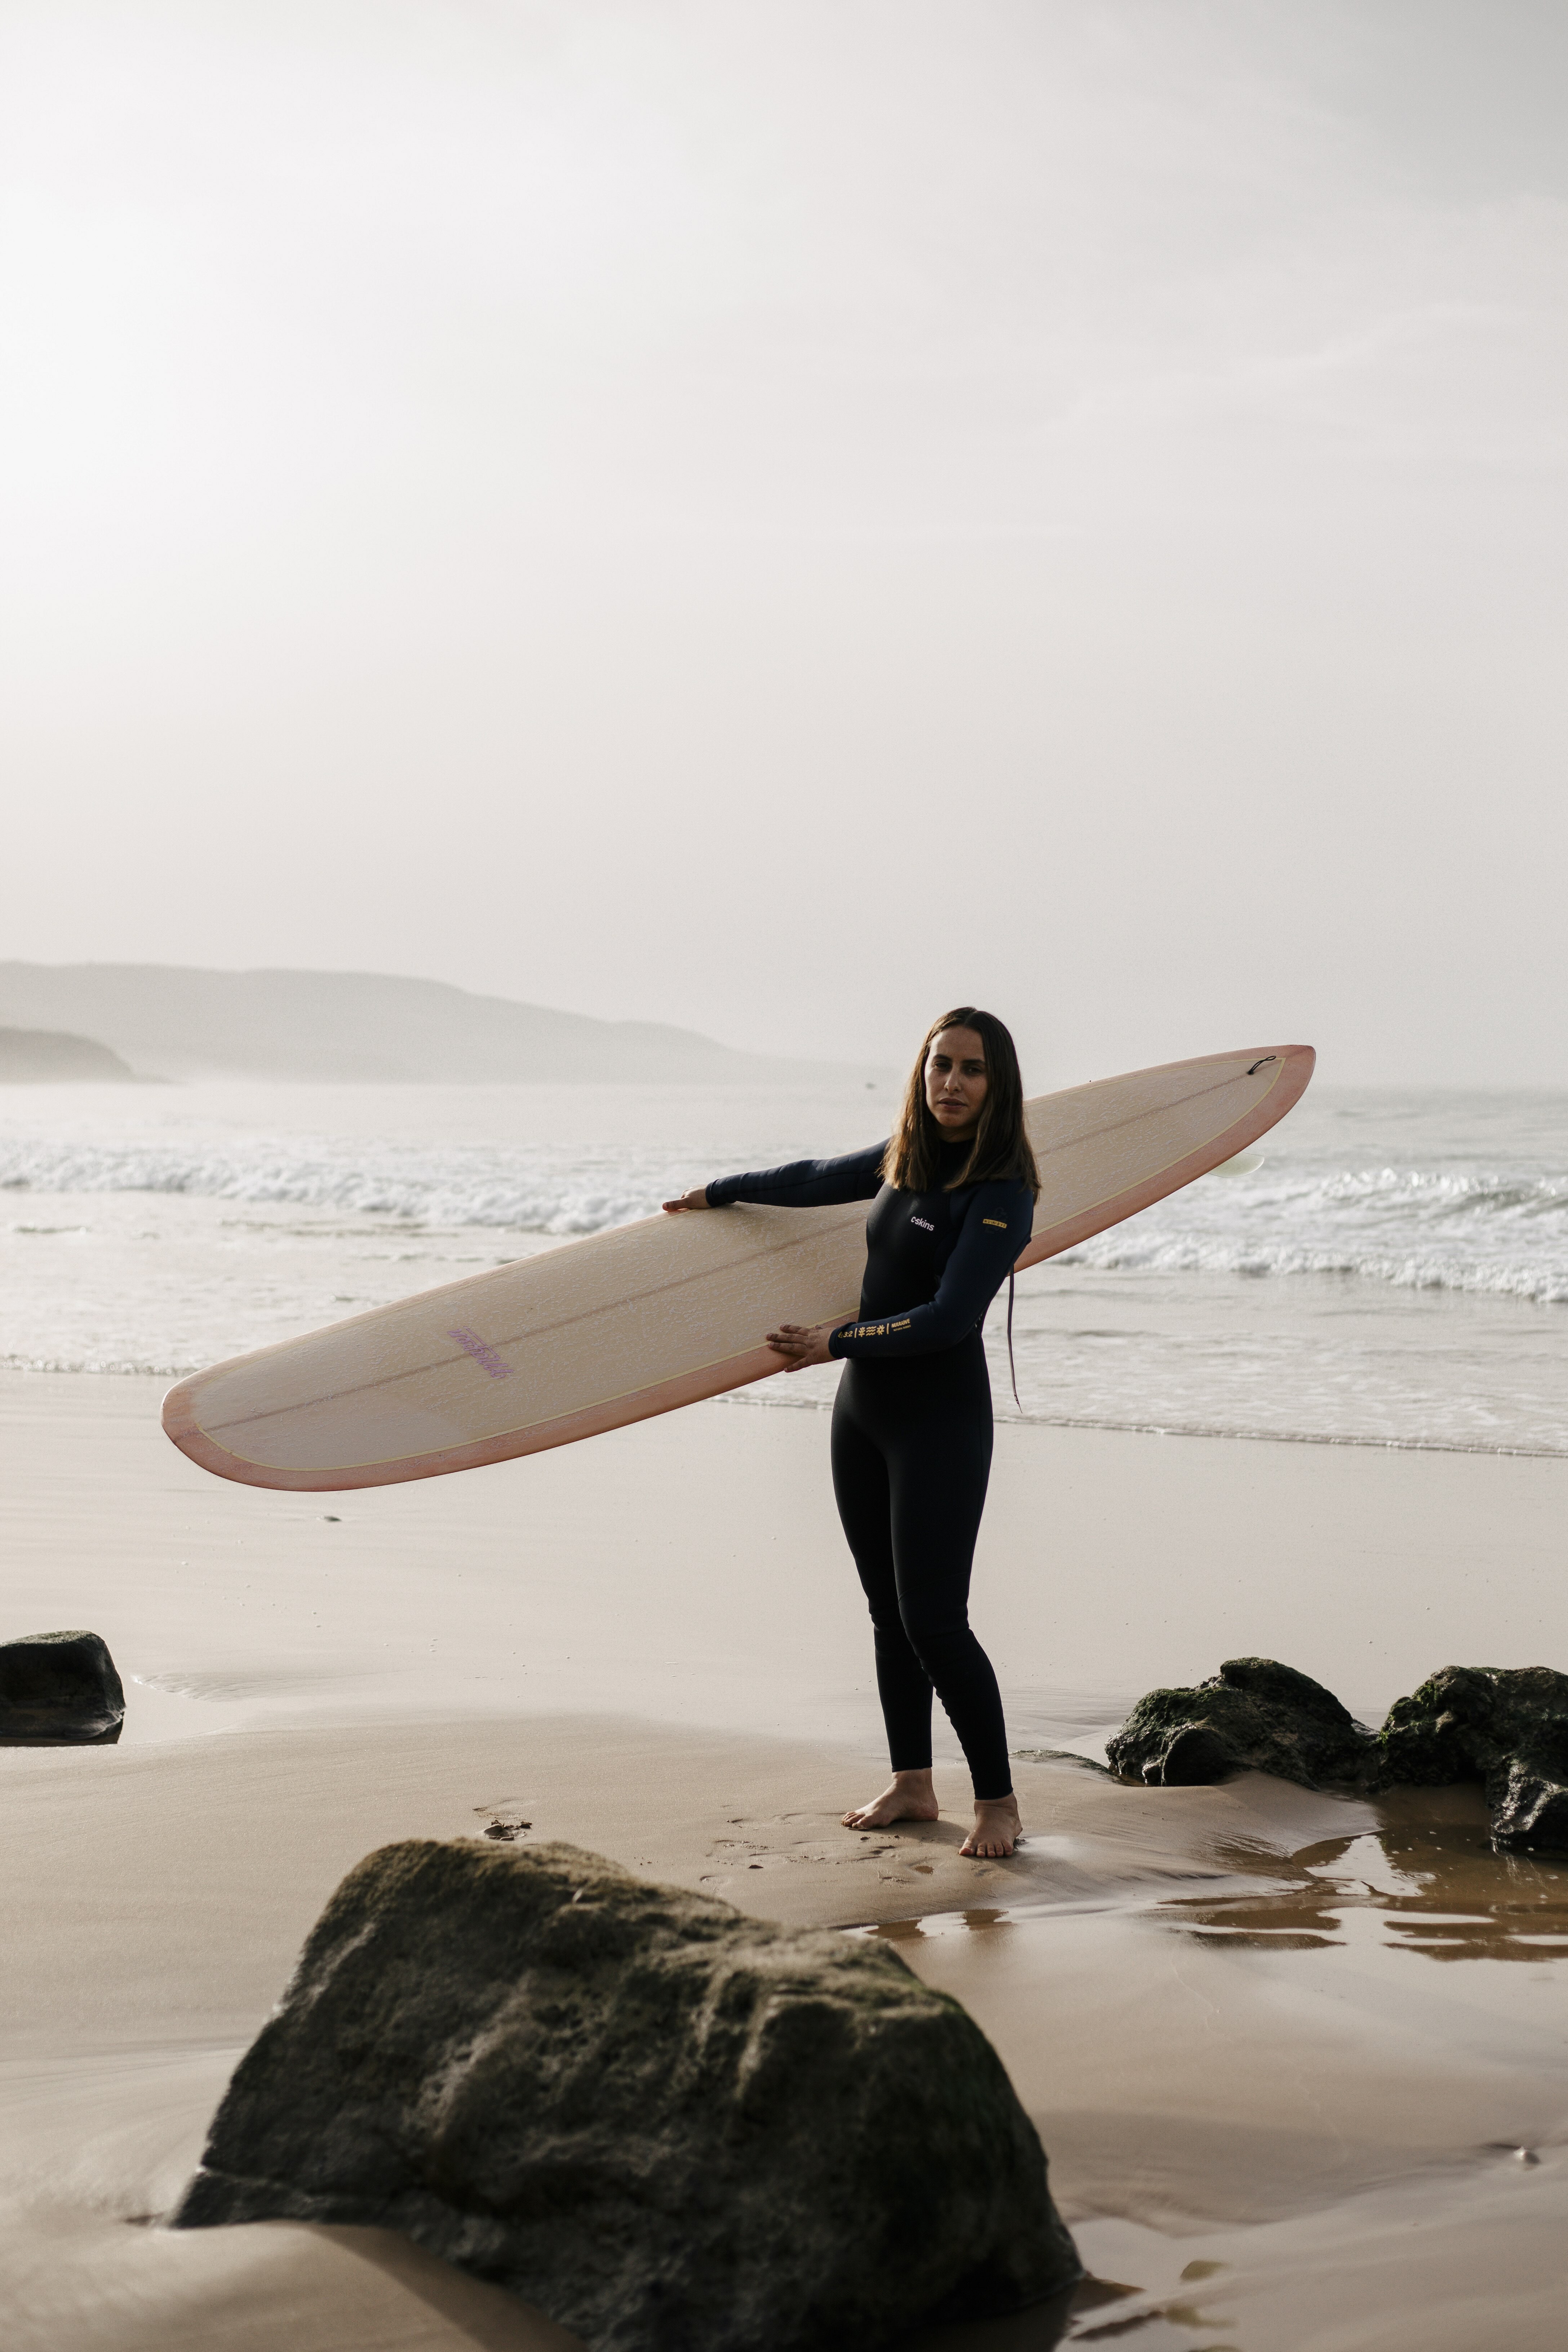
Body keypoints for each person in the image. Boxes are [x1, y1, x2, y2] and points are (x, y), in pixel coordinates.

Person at [663, 1007, 1039, 1859]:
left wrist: (831, 1341)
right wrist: (723, 1190)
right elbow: (812, 1176)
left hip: (939, 1420)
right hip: (863, 1413)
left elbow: (947, 1320)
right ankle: (913, 1780)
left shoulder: (1002, 1192)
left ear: (998, 1084)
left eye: (972, 1069)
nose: (951, 1081)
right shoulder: (902, 1158)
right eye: (940, 1064)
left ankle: (1000, 1800)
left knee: (937, 1620)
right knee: (886, 1613)